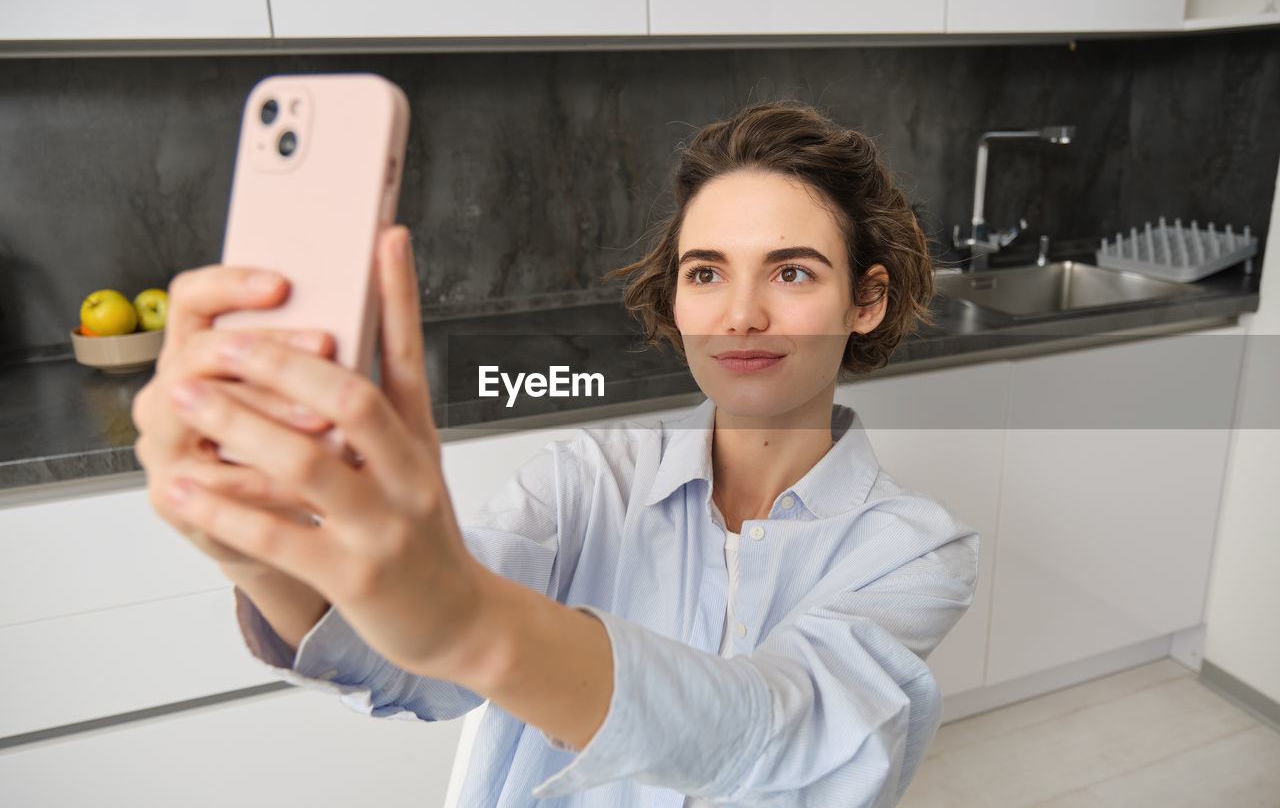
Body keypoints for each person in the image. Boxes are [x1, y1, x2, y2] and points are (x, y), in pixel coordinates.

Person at [131, 99, 979, 807]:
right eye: (706, 272)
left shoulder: (910, 551)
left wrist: (477, 625)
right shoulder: (586, 484)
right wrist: (262, 549)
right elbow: (409, 659)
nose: (740, 315)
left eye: (791, 273)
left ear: (867, 299)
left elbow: (783, 740)